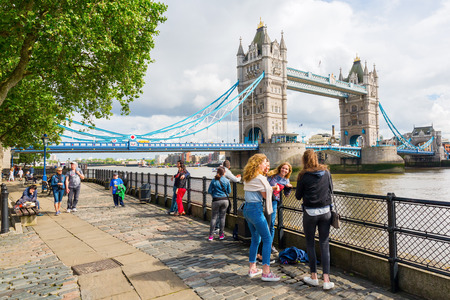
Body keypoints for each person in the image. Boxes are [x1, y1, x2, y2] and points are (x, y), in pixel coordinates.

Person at [295, 149, 334, 290]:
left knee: (310, 244)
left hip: (310, 213)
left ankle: (314, 277)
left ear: (304, 160)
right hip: (326, 212)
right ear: (316, 159)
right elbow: (331, 190)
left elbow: (298, 196)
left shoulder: (302, 175)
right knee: (324, 243)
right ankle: (327, 280)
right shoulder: (327, 173)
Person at [242, 153, 280, 282]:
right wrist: (274, 189)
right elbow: (265, 195)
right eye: (264, 162)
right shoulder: (260, 178)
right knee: (267, 239)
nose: (266, 164)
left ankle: (252, 268)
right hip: (256, 210)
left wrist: (269, 187)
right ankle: (266, 272)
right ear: (258, 164)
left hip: (246, 210)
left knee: (255, 239)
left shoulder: (248, 177)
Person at [266, 162, 293, 253]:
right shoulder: (272, 175)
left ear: (289, 171)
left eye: (286, 169)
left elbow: (286, 195)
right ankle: (262, 244)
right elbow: (264, 186)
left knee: (271, 224)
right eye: (283, 168)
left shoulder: (286, 180)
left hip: (274, 202)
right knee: (263, 223)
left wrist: (288, 188)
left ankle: (270, 245)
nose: (284, 170)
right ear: (280, 168)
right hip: (265, 200)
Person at [207, 167, 231, 241]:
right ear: (224, 173)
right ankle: (221, 235)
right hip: (224, 200)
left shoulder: (214, 180)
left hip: (216, 200)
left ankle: (211, 235)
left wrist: (214, 195)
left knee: (214, 217)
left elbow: (209, 191)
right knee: (222, 217)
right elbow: (229, 191)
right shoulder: (227, 180)